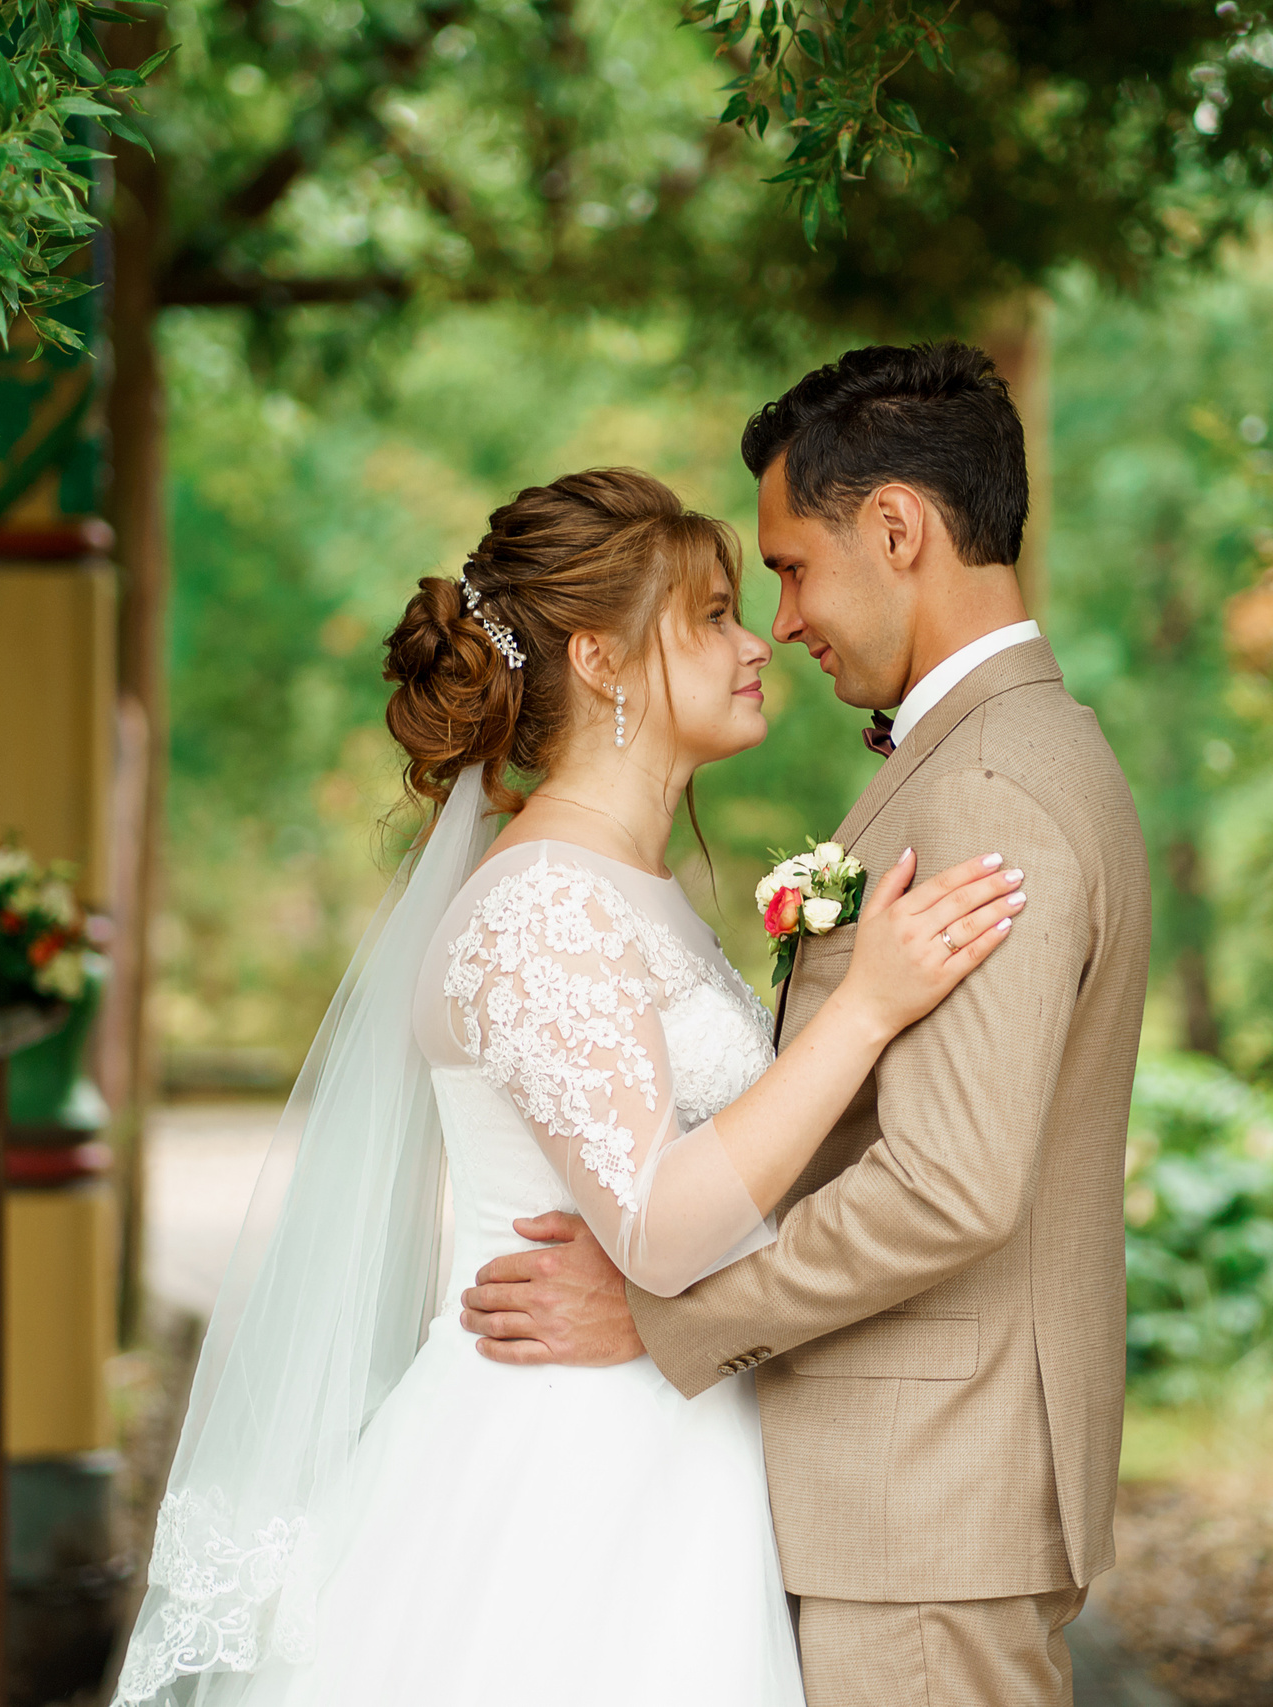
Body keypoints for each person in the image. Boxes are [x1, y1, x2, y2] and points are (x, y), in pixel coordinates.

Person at [112, 465, 1027, 1707]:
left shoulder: (625, 888)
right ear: (598, 663)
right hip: (564, 1477)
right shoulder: (544, 904)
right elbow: (652, 1228)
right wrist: (861, 1011)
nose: (756, 641)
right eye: (708, 614)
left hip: (657, 1443)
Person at [462, 342, 1152, 1707]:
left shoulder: (993, 786)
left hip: (922, 1493)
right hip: (898, 1485)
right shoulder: (996, 754)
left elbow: (946, 1182)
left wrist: (667, 1316)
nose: (780, 622)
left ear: (897, 527)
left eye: (785, 569)